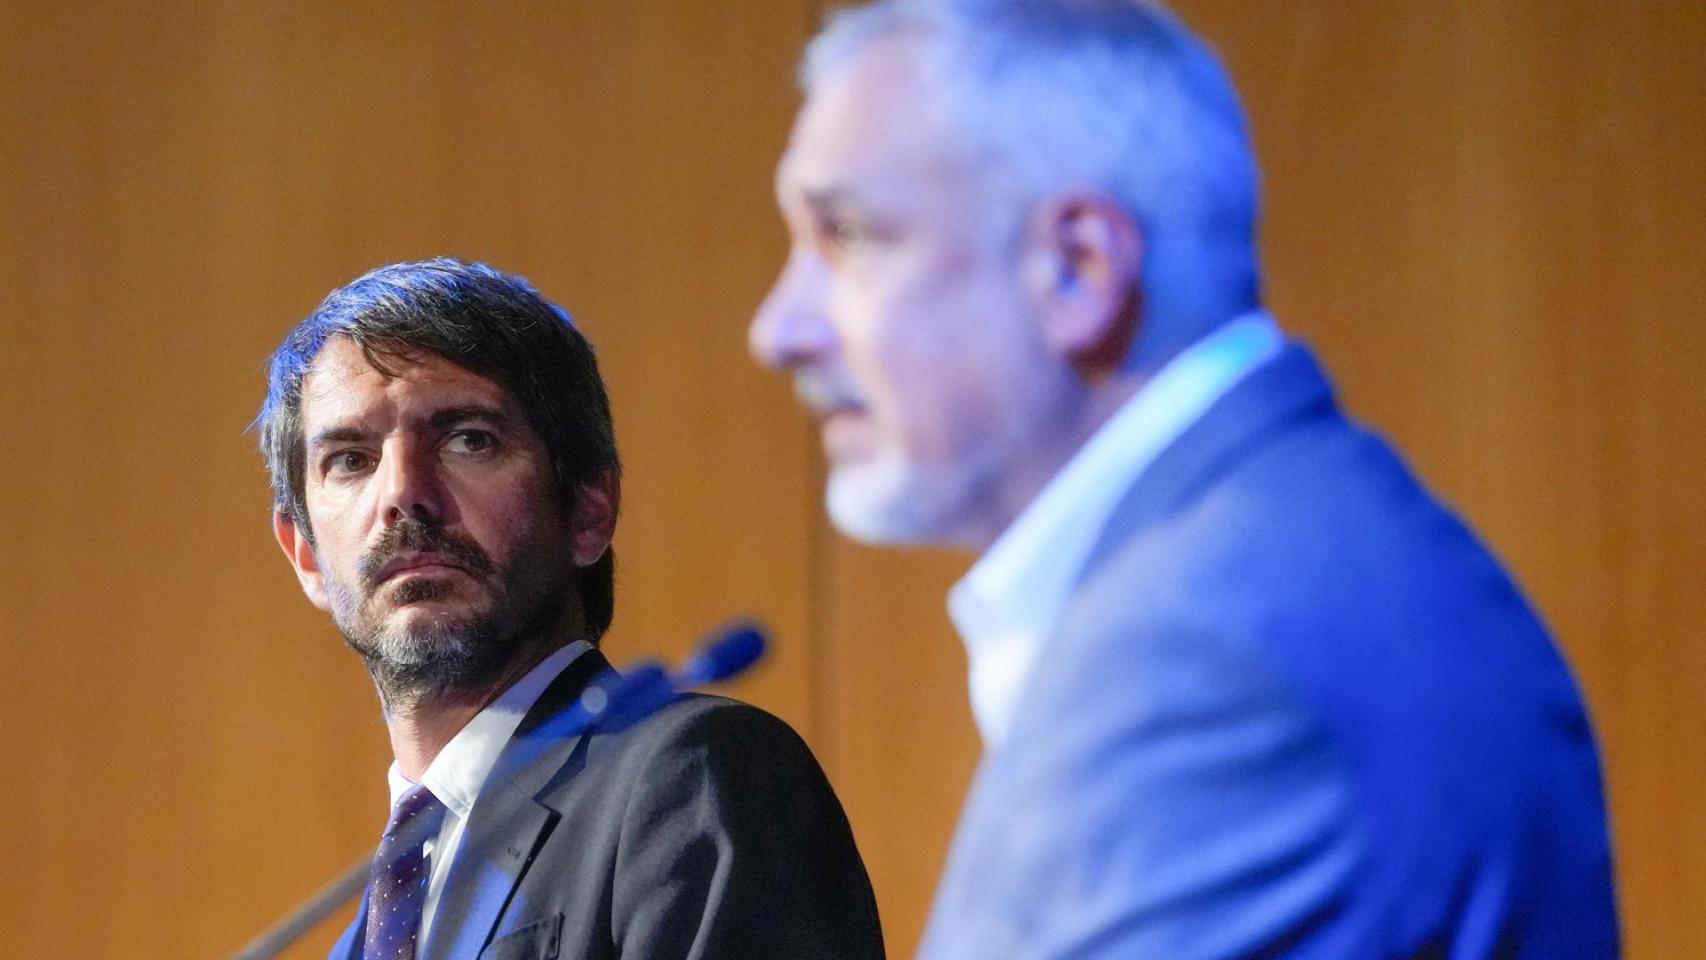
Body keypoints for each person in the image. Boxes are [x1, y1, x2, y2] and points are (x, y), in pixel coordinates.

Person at [748, 1, 1618, 957]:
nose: (778, 330)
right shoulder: (1261, 557)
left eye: (849, 236)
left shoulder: (1214, 649)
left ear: (1077, 266)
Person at [258, 257, 883, 960]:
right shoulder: (361, 932)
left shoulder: (690, 778)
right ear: (305, 554)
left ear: (589, 509)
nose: (403, 493)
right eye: (349, 459)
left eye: (468, 439)